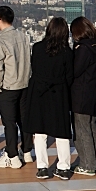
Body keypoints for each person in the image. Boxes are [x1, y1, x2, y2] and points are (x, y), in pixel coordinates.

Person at [25, 16, 74, 180]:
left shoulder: (38, 48)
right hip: (59, 93)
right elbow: (69, 76)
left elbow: (35, 69)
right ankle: (64, 167)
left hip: (39, 93)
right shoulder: (67, 52)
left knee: (40, 132)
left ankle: (42, 167)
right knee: (62, 132)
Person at [0, 5, 32, 168]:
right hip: (24, 84)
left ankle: (12, 156)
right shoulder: (23, 37)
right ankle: (27, 151)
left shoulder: (0, 40)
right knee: (24, 120)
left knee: (9, 122)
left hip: (8, 87)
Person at [70, 16, 96, 176]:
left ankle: (88, 164)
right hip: (92, 93)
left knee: (82, 129)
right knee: (91, 128)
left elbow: (75, 71)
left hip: (81, 94)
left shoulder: (83, 49)